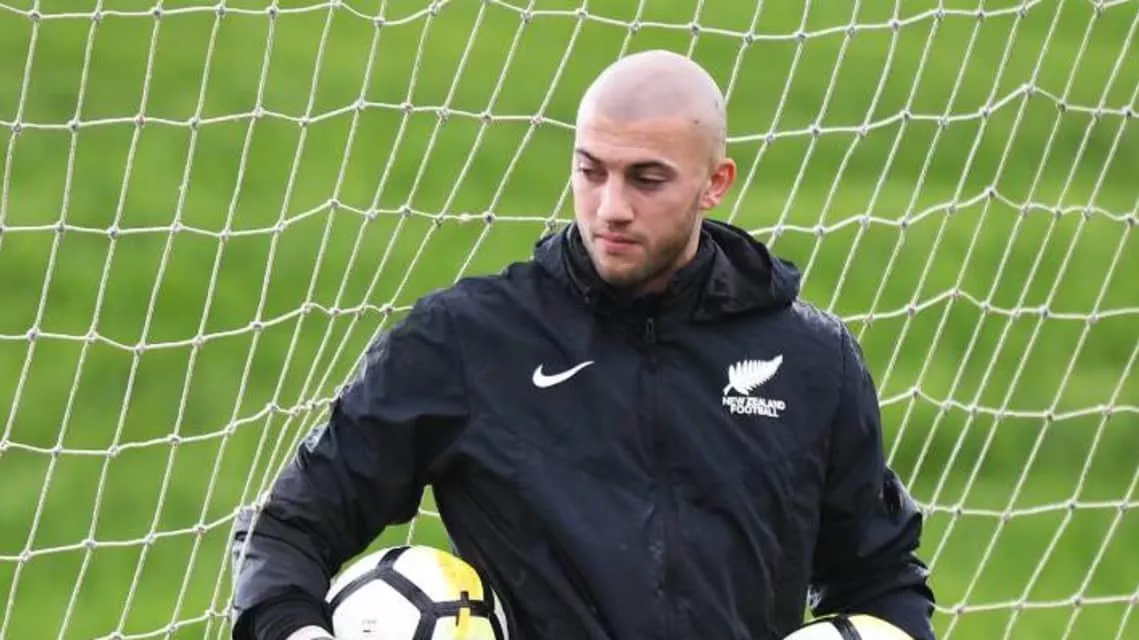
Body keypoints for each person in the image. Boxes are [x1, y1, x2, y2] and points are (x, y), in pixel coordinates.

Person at [228, 49, 936, 640]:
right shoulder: (468, 341)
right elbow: (287, 531)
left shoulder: (810, 360)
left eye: (646, 179)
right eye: (591, 171)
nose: (610, 208)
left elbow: (882, 579)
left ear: (714, 183)